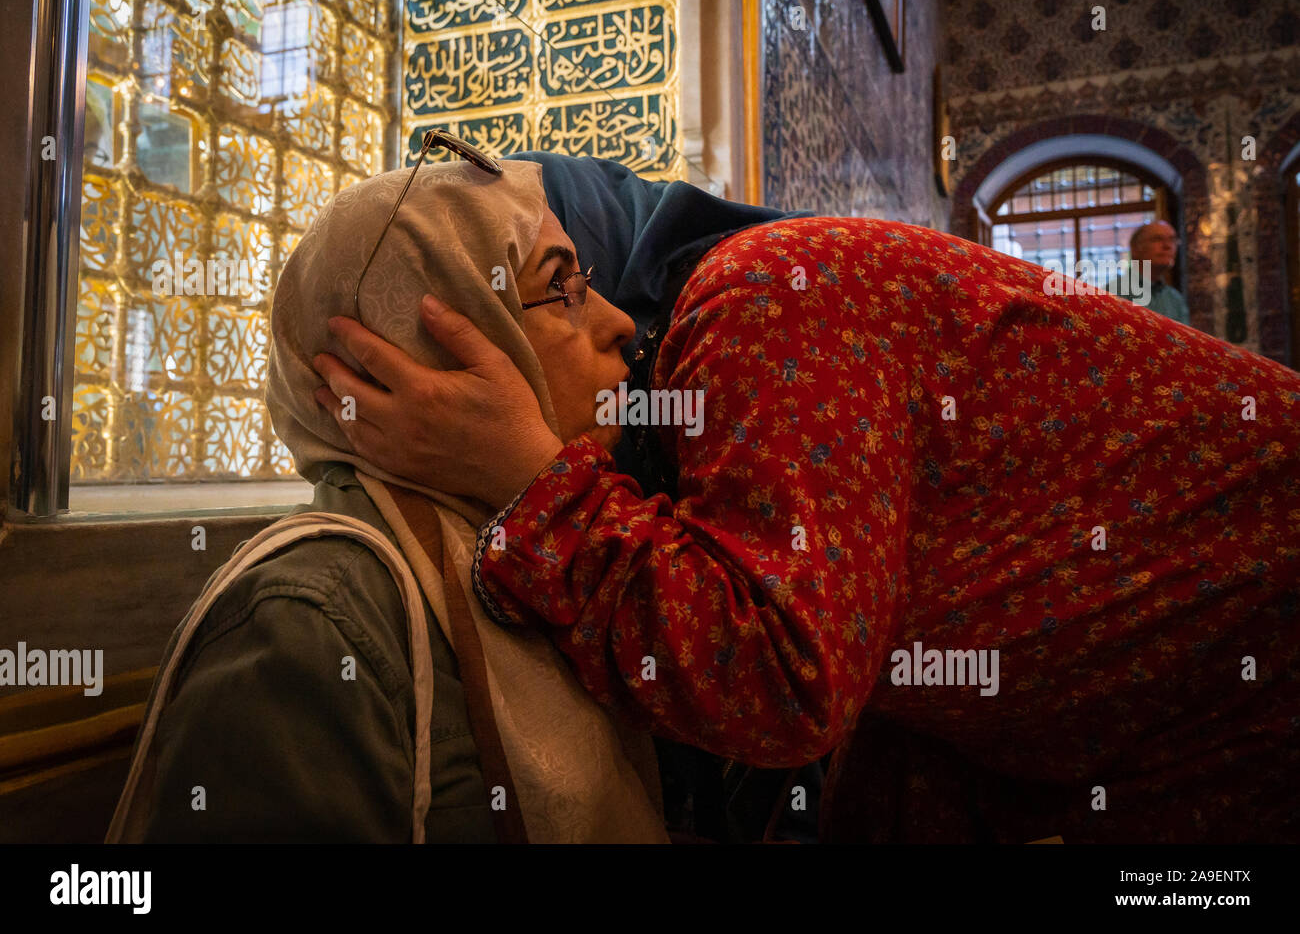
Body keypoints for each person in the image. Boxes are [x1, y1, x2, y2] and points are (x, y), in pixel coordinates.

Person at [315, 163, 1300, 843]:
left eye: (584, 278)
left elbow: (789, 680)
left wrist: (533, 481)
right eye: (557, 291)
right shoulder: (328, 593)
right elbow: (925, 675)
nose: (618, 322)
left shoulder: (756, 299)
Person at [106, 155, 670, 843]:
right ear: (421, 348)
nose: (621, 325)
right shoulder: (308, 628)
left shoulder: (541, 556)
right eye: (562, 288)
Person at [1109, 220, 1191, 326]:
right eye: (1157, 239)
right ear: (1135, 248)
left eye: (1172, 240)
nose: (1167, 246)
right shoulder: (1112, 293)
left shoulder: (1175, 299)